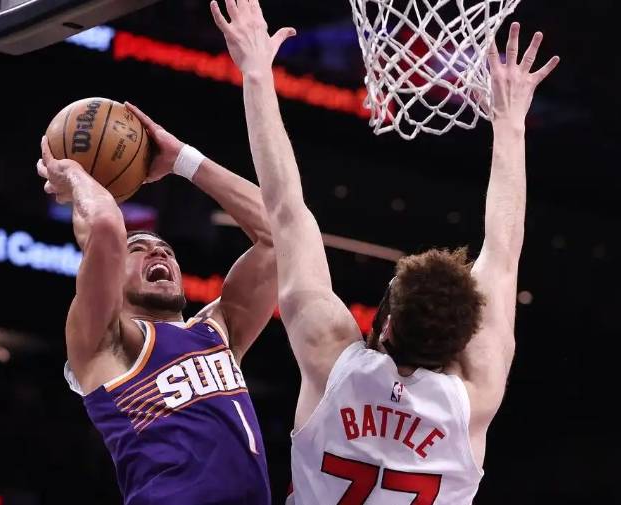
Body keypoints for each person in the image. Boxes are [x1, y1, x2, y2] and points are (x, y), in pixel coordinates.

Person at [209, 1, 559, 503]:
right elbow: (504, 252)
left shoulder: (333, 359)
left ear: (387, 323)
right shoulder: (476, 396)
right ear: (465, 339)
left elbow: (286, 209)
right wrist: (512, 124)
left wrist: (257, 72)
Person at [36, 103, 278, 505]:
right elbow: (105, 227)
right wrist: (74, 176)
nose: (159, 252)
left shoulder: (217, 331)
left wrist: (183, 159)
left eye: (166, 250)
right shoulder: (108, 343)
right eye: (138, 248)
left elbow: (279, 234)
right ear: (110, 273)